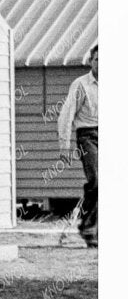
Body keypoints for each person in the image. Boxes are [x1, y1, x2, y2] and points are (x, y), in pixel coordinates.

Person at [56, 43, 98, 246]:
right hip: (88, 136)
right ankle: (89, 229)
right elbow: (66, 115)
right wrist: (64, 146)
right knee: (97, 180)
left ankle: (92, 227)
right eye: (97, 59)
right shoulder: (81, 85)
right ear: (91, 61)